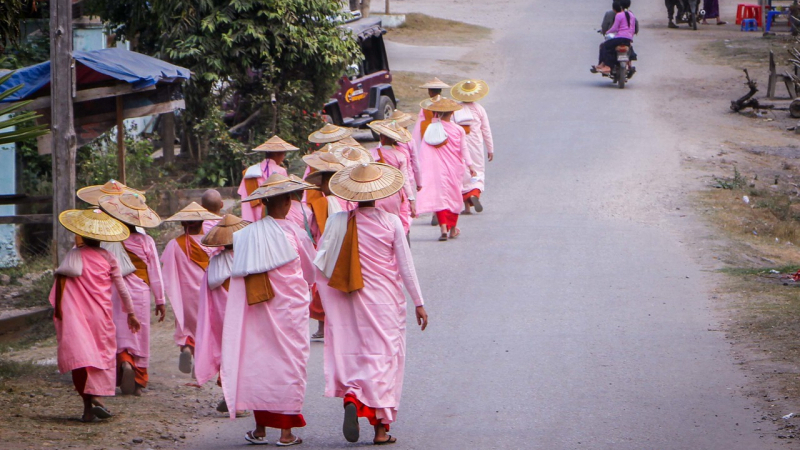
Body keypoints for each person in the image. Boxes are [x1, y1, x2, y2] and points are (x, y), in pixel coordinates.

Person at [314, 162, 428, 445]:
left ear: (352, 194)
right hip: (385, 302)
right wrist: (419, 302)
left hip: (350, 299)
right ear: (378, 193)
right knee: (386, 358)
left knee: (356, 350)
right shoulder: (390, 222)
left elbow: (322, 262)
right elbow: (405, 265)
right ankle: (380, 430)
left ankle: (353, 396)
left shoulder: (338, 221)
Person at [222, 173, 317, 446]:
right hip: (291, 311)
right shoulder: (296, 233)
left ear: (263, 202)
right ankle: (286, 433)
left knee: (259, 362)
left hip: (259, 308)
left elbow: (239, 275)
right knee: (290, 364)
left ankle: (260, 428)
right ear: (288, 202)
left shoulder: (246, 235)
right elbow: (310, 272)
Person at [49, 208, 142, 422]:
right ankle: (98, 397)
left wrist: (63, 312)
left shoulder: (73, 256)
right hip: (101, 316)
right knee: (101, 357)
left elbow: (60, 287)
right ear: (103, 237)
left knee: (82, 359)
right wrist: (131, 313)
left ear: (81, 233)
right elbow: (122, 289)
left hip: (78, 318)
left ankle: (87, 408)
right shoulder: (109, 257)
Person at [97, 193, 165, 396]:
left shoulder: (109, 240)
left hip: (115, 291)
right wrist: (160, 300)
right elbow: (155, 273)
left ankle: (124, 361)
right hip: (140, 292)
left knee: (118, 331)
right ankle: (138, 380)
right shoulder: (146, 241)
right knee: (139, 334)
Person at [195, 215, 249, 414]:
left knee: (226, 352)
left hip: (220, 314)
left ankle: (229, 393)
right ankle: (238, 399)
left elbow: (207, 290)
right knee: (242, 353)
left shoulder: (215, 262)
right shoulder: (246, 258)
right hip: (241, 313)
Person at [161, 202, 221, 375]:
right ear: (203, 222)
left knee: (187, 326)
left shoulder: (174, 244)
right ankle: (201, 362)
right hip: (208, 293)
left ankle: (187, 347)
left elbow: (168, 271)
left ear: (182, 224)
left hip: (186, 296)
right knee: (206, 327)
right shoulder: (212, 243)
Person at [415, 95, 478, 241]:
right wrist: (470, 165)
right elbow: (464, 149)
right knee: (454, 197)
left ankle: (443, 227)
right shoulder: (458, 130)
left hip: (436, 169)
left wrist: (422, 170)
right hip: (454, 168)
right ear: (453, 113)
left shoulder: (431, 128)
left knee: (440, 197)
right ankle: (453, 228)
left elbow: (424, 151)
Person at [451, 80, 494, 214]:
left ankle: (467, 207)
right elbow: (486, 130)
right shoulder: (479, 109)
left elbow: (451, 129)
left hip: (460, 145)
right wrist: (490, 148)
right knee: (477, 171)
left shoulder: (455, 109)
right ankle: (474, 195)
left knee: (463, 173)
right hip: (476, 145)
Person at [367, 119, 417, 234]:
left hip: (377, 194)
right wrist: (411, 200)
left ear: (381, 138)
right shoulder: (400, 156)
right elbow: (405, 180)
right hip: (395, 195)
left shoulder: (371, 154)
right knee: (398, 224)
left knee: (379, 224)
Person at [237, 136, 299, 222]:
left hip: (251, 216)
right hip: (273, 214)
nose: (283, 158)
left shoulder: (249, 172)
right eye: (283, 154)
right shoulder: (280, 171)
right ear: (277, 154)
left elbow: (243, 196)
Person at [594, 1, 637, 74]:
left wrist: (607, 32)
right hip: (628, 38)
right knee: (630, 48)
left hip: (620, 38)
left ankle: (607, 66)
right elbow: (633, 28)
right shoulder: (631, 15)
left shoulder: (619, 15)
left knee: (605, 46)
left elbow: (615, 28)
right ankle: (629, 63)